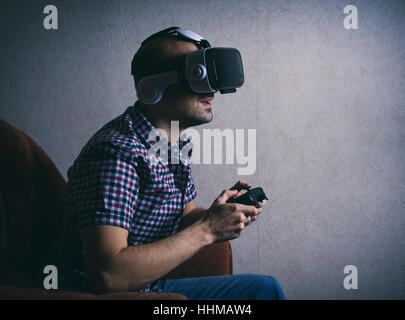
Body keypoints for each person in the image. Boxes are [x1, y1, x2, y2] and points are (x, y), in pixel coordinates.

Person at [47, 27, 285, 300]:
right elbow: (108, 275)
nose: (212, 90)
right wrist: (208, 230)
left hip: (152, 288)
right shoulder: (116, 153)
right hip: (105, 296)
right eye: (196, 76)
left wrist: (218, 215)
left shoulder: (173, 144)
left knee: (264, 289)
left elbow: (183, 215)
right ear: (152, 89)